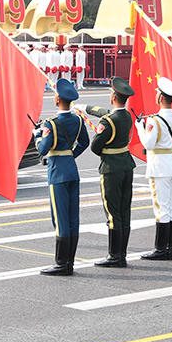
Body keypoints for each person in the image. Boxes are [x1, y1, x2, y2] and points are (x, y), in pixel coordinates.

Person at [34, 79, 89, 276]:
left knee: (60, 218)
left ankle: (61, 264)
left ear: (57, 100)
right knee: (73, 217)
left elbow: (43, 148)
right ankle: (70, 263)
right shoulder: (78, 120)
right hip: (72, 170)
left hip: (57, 171)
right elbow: (85, 142)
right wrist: (71, 155)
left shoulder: (51, 124)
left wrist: (36, 135)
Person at [83, 76, 136, 268]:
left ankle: (114, 257)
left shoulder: (108, 122)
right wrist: (87, 108)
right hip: (126, 166)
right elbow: (108, 113)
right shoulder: (127, 115)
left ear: (113, 96)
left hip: (111, 169)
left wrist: (100, 129)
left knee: (112, 213)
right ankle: (121, 254)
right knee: (124, 211)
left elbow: (95, 147)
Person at [136, 76, 172, 259]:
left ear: (160, 98)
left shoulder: (153, 120)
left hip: (159, 165)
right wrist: (169, 143)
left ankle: (160, 250)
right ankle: (170, 249)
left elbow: (148, 144)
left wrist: (139, 129)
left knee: (161, 208)